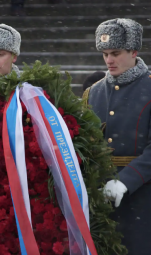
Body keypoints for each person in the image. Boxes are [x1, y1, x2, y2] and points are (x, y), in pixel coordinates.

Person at [83, 18, 151, 254]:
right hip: (101, 198)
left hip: (143, 197)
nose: (109, 60)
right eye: (105, 54)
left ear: (134, 51)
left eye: (116, 53)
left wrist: (125, 180)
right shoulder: (94, 92)